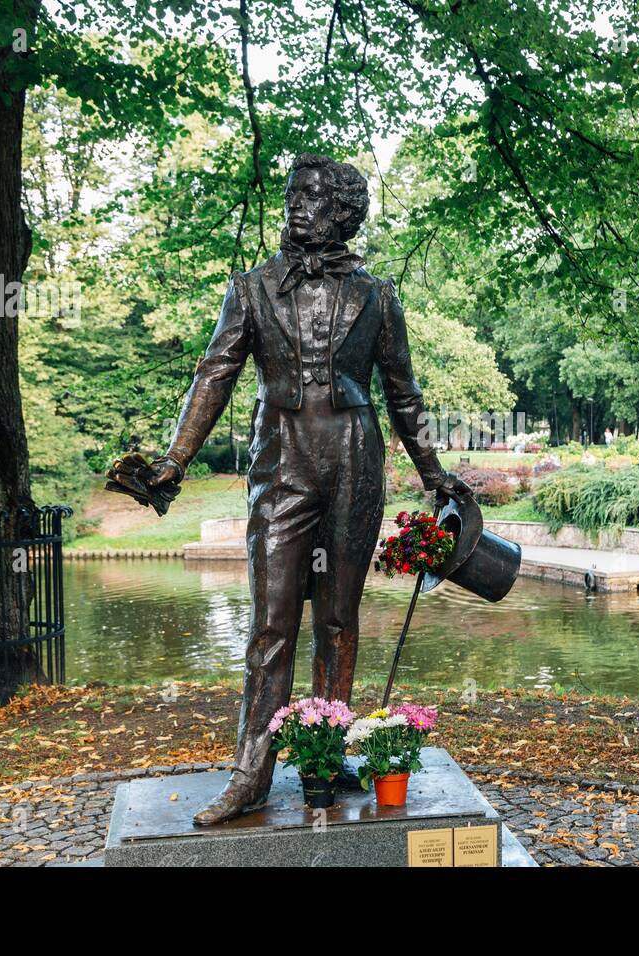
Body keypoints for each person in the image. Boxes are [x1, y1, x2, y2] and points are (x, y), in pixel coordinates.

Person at [133, 154, 470, 825]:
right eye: (292, 195)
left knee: (339, 621)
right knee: (271, 624)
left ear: (342, 209)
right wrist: (175, 459)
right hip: (282, 462)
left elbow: (404, 393)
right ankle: (251, 774)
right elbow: (213, 374)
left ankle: (324, 758)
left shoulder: (377, 295)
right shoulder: (251, 287)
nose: (297, 206)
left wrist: (435, 476)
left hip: (353, 459)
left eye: (313, 196)